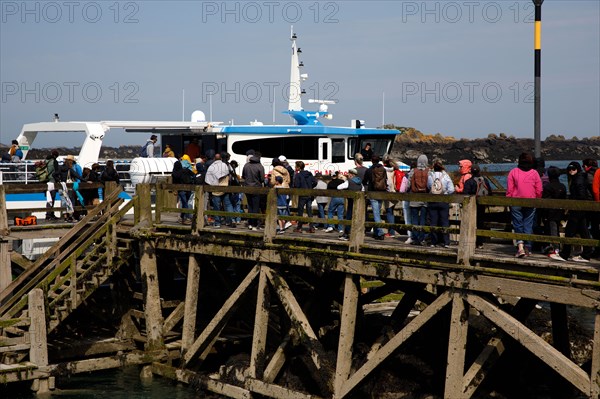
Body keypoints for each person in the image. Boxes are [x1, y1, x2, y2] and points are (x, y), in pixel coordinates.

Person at [506, 152, 542, 258]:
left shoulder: (513, 172)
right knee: (528, 224)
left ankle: (520, 247)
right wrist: (537, 199)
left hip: (516, 201)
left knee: (518, 224)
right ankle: (528, 247)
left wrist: (508, 200)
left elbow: (509, 189)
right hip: (531, 201)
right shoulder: (534, 173)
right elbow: (539, 189)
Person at [559, 162, 593, 262]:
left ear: (577, 169)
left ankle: (564, 254)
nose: (571, 171)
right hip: (580, 208)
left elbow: (581, 195)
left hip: (577, 208)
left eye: (573, 169)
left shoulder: (578, 179)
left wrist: (573, 203)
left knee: (569, 231)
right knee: (584, 231)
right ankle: (587, 254)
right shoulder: (579, 178)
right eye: (569, 169)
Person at [539, 166, 566, 261]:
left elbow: (545, 201)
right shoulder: (562, 186)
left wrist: (544, 213)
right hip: (560, 211)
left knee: (552, 230)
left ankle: (555, 248)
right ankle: (555, 247)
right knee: (556, 229)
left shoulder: (547, 187)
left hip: (550, 212)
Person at [463, 164, 493, 248]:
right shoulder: (485, 180)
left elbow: (465, 194)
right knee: (480, 223)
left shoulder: (469, 182)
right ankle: (480, 242)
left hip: (472, 206)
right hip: (482, 205)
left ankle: (470, 241)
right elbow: (490, 192)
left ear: (471, 172)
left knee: (470, 223)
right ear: (479, 171)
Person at [427, 160, 455, 247]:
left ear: (433, 167)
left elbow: (428, 187)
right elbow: (452, 189)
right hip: (443, 201)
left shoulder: (430, 176)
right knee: (444, 221)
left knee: (433, 222)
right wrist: (445, 192)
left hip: (433, 201)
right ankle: (446, 242)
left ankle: (433, 242)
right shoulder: (446, 176)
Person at [205, 153, 234, 227]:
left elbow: (208, 179)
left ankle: (217, 223)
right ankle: (230, 221)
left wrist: (213, 183)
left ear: (214, 159)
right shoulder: (225, 165)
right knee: (228, 205)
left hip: (216, 189)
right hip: (225, 188)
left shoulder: (211, 167)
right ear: (220, 158)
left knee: (216, 206)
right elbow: (229, 174)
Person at [363, 154, 387, 240]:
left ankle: (380, 233)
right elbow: (385, 180)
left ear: (371, 161)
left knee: (376, 214)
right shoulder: (383, 169)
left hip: (373, 193)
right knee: (377, 213)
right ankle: (376, 232)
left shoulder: (369, 170)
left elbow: (364, 181)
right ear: (379, 160)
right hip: (381, 193)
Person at [338, 168, 365, 241]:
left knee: (349, 218)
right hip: (358, 203)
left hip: (350, 202)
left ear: (351, 175)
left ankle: (346, 234)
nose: (348, 175)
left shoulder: (348, 182)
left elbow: (339, 187)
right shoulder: (360, 183)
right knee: (357, 219)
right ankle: (356, 234)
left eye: (349, 174)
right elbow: (363, 190)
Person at [408, 154, 430, 245]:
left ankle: (415, 237)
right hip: (425, 198)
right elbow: (430, 184)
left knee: (414, 219)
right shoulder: (429, 171)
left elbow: (408, 184)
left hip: (414, 198)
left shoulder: (413, 171)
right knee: (423, 219)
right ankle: (422, 238)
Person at [242, 151, 265, 231]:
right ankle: (254, 224)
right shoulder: (260, 166)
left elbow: (243, 176)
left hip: (247, 188)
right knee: (255, 206)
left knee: (250, 206)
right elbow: (262, 179)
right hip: (256, 188)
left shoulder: (246, 165)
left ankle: (250, 223)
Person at [293, 161, 317, 233]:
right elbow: (315, 182)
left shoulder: (298, 175)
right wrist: (310, 187)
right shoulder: (309, 174)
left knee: (300, 211)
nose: (295, 167)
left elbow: (297, 185)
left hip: (302, 194)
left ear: (299, 167)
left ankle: (299, 227)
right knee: (309, 211)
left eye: (296, 166)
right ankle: (311, 227)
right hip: (309, 194)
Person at [172, 160, 196, 224]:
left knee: (184, 203)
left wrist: (174, 190)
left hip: (181, 190)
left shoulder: (174, 173)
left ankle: (185, 217)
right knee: (186, 203)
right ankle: (185, 217)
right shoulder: (185, 170)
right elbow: (194, 175)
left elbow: (174, 183)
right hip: (189, 188)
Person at [45, 150, 60, 221]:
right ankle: (49, 215)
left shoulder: (47, 161)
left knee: (48, 199)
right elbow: (56, 172)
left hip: (46, 181)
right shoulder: (54, 161)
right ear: (56, 156)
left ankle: (49, 214)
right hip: (52, 181)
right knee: (52, 198)